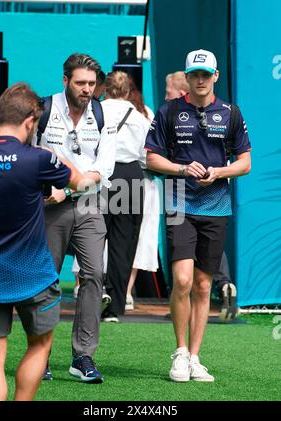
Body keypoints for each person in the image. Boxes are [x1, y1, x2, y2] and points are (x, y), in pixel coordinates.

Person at [145, 49, 251, 382]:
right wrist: (181, 167)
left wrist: (219, 172)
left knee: (204, 286)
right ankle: (178, 352)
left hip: (216, 205)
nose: (201, 79)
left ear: (215, 76)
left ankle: (194, 356)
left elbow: (245, 163)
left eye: (207, 74)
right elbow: (151, 159)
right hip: (179, 200)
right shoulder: (169, 112)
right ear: (187, 77)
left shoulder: (231, 113)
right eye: (195, 74)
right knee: (182, 280)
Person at [0, 82, 86, 400]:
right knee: (40, 346)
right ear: (30, 121)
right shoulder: (37, 158)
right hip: (34, 277)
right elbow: (80, 180)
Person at [35, 53, 117, 383]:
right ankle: (39, 355)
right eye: (80, 83)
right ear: (65, 80)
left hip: (87, 205)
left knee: (94, 274)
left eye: (92, 84)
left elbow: (104, 167)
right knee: (45, 279)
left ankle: (82, 355)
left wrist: (67, 190)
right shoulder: (43, 109)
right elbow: (29, 154)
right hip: (47, 207)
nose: (87, 89)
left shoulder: (101, 113)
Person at [101, 71, 149, 322]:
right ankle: (115, 306)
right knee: (124, 244)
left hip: (102, 176)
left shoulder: (96, 111)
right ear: (128, 92)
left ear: (105, 90)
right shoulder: (140, 119)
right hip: (130, 176)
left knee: (93, 239)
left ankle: (93, 294)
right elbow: (146, 156)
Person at [125, 78, 159, 311]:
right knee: (139, 236)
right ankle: (126, 292)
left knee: (101, 234)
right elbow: (152, 154)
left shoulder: (100, 111)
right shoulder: (145, 114)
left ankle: (88, 286)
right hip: (143, 180)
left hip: (109, 181)